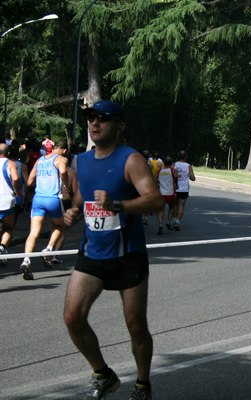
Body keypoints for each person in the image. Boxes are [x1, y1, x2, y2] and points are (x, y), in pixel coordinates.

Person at [62, 100, 163, 400]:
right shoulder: (81, 160)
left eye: (103, 119)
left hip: (128, 256)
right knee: (72, 317)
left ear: (119, 127)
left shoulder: (130, 160)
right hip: (92, 252)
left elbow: (155, 201)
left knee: (135, 325)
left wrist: (117, 205)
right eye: (92, 118)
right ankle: (103, 373)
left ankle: (142, 384)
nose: (95, 124)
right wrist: (74, 211)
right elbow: (81, 196)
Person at [20, 140, 70, 279]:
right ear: (64, 150)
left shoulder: (40, 160)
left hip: (38, 199)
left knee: (34, 232)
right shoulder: (61, 159)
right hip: (53, 199)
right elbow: (63, 171)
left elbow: (30, 180)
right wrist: (66, 185)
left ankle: (26, 260)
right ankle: (48, 248)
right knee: (60, 226)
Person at [0, 143, 22, 267]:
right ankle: (2, 248)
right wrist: (17, 190)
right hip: (6, 201)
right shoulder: (10, 164)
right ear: (8, 153)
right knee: (8, 228)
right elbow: (15, 178)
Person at [173, 150, 196, 231]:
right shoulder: (188, 166)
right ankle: (177, 221)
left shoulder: (174, 164)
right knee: (181, 206)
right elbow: (193, 178)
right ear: (186, 157)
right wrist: (188, 176)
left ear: (178, 156)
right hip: (184, 189)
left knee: (175, 205)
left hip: (175, 188)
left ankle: (174, 219)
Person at [155, 156, 178, 235]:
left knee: (161, 210)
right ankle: (168, 221)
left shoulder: (160, 171)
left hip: (162, 193)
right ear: (172, 163)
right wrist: (176, 183)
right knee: (172, 207)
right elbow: (175, 178)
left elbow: (155, 179)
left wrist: (158, 184)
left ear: (164, 163)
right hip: (171, 192)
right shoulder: (173, 170)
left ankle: (160, 224)